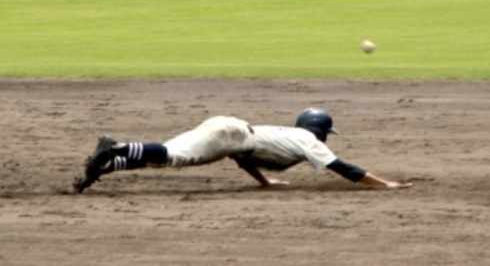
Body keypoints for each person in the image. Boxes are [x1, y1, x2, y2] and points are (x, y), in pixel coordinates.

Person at [73, 108, 411, 193]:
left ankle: (105, 165)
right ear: (322, 130)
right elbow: (343, 168)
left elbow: (242, 157)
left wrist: (264, 183)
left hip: (230, 130)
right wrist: (384, 184)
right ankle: (115, 147)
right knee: (171, 154)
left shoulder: (289, 135)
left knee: (168, 156)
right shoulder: (311, 143)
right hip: (232, 133)